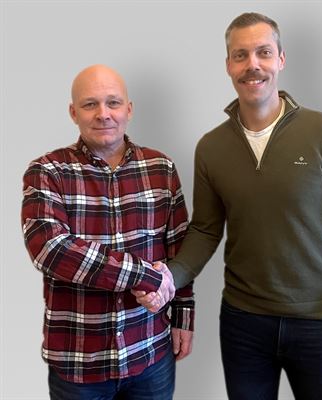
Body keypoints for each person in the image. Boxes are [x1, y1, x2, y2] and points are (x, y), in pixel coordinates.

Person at [134, 12, 322, 400]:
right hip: (243, 325)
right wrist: (169, 277)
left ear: (281, 59)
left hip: (318, 324)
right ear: (228, 65)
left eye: (263, 52)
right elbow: (205, 230)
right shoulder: (211, 147)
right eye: (241, 55)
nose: (252, 64)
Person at [21, 64, 194, 400]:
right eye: (90, 104)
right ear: (73, 112)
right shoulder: (47, 171)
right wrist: (145, 276)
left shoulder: (161, 167)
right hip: (78, 364)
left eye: (113, 103)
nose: (103, 114)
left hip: (150, 354)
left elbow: (179, 248)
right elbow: (50, 249)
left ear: (129, 109)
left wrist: (184, 317)